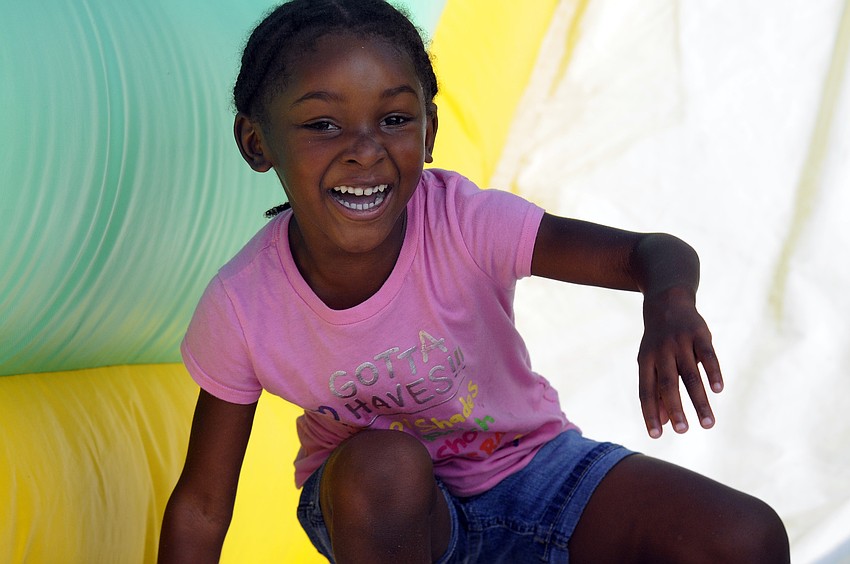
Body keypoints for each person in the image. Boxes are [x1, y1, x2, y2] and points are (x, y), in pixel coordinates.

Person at [159, 0, 791, 562]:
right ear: (255, 141)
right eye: (323, 124)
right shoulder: (243, 305)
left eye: (396, 119)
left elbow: (652, 253)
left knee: (745, 537)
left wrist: (670, 308)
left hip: (537, 473)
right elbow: (203, 505)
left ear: (430, 131)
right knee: (385, 465)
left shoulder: (464, 222)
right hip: (385, 517)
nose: (365, 149)